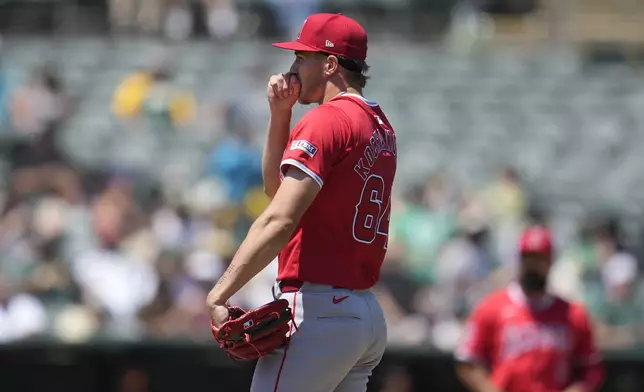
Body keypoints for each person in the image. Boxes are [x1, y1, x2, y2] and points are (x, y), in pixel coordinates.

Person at [206, 12, 397, 392]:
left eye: (301, 58)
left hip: (320, 312)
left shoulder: (328, 120)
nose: (292, 68)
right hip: (362, 315)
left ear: (329, 64)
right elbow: (278, 192)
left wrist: (221, 292)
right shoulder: (380, 125)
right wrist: (281, 116)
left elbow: (278, 218)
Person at [454, 226, 605, 392]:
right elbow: (467, 360)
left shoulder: (573, 314)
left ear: (550, 261)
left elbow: (592, 369)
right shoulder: (492, 307)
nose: (533, 265)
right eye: (528, 257)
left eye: (540, 258)